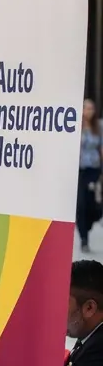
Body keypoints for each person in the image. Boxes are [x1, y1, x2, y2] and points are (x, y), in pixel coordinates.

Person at [76, 98, 103, 252]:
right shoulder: (76, 126)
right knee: (81, 205)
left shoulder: (97, 127)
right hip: (80, 171)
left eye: (92, 108)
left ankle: (88, 224)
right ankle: (84, 238)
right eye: (87, 108)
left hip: (93, 170)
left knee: (94, 207)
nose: (89, 111)